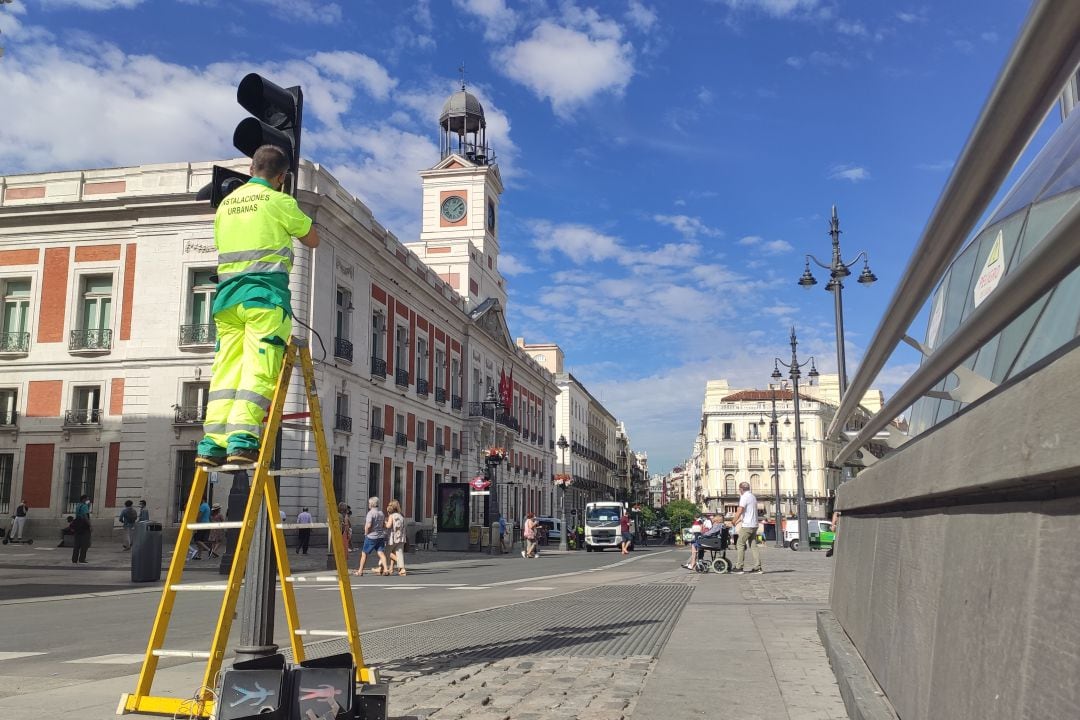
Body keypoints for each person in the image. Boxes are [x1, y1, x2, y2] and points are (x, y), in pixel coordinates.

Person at [195, 144, 320, 468]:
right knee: (258, 368)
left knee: (226, 370)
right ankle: (243, 439)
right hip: (264, 298)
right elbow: (312, 238)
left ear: (251, 170)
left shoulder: (226, 205)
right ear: (281, 177)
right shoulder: (280, 201)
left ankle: (212, 443)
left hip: (226, 301)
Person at [732, 482, 763, 574]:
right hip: (754, 525)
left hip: (747, 525)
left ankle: (739, 567)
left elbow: (740, 510)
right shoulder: (753, 497)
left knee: (740, 544)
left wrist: (734, 520)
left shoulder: (744, 497)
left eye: (739, 489)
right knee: (753, 545)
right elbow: (747, 512)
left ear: (741, 489)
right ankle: (758, 567)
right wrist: (737, 521)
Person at [354, 496, 387, 576]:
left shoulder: (370, 513)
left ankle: (360, 571)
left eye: (369, 503)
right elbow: (383, 525)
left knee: (364, 553)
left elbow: (368, 525)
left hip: (371, 536)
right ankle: (386, 569)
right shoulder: (381, 513)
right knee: (381, 553)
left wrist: (366, 533)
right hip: (380, 536)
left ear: (371, 504)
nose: (368, 504)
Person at [383, 499, 407, 576]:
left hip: (392, 538)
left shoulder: (391, 516)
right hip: (401, 537)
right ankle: (402, 569)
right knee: (399, 553)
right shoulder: (401, 516)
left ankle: (382, 567)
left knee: (386, 552)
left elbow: (388, 526)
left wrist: (384, 523)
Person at [71, 498, 92, 563]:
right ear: (84, 500)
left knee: (77, 544)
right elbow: (85, 516)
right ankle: (82, 559)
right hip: (84, 527)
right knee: (85, 543)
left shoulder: (77, 506)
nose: (88, 501)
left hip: (77, 526)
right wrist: (90, 525)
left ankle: (74, 559)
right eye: (87, 499)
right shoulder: (85, 506)